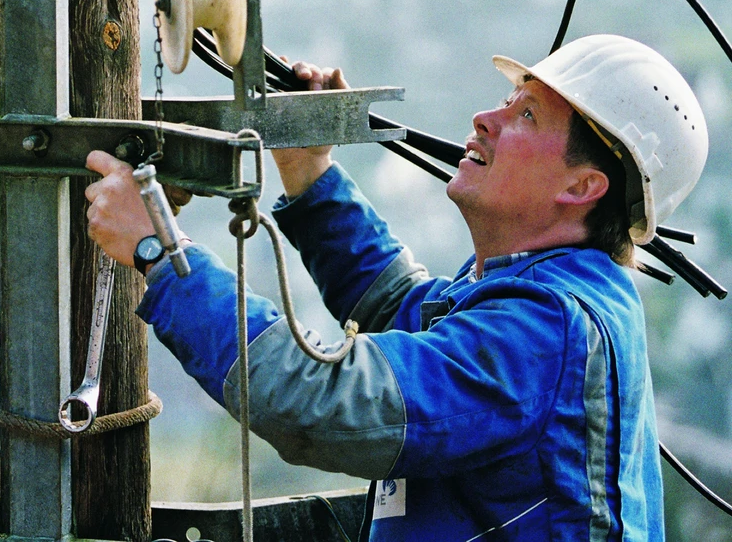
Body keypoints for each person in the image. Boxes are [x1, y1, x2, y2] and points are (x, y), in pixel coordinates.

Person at [86, 34, 707, 541]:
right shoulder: (536, 295)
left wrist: (160, 251)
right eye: (508, 100)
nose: (486, 118)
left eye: (526, 115)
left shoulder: (549, 331)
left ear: (582, 187)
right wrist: (310, 172)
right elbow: (401, 308)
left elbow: (322, 402)